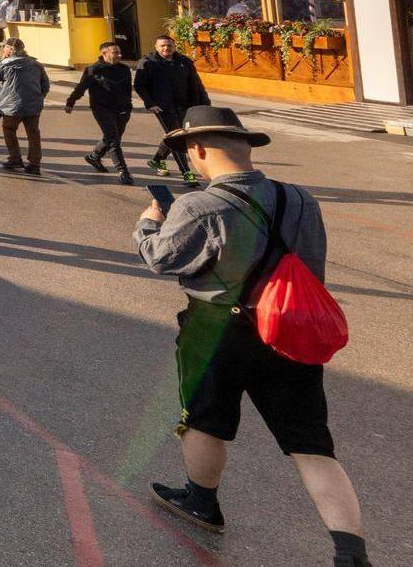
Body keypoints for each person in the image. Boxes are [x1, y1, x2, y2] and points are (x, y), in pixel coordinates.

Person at [133, 107, 370, 567]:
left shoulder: (197, 205)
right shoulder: (299, 198)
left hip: (215, 326)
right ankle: (350, 552)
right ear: (245, 147)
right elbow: (311, 263)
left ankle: (202, 501)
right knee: (310, 443)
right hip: (288, 327)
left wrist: (147, 224)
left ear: (198, 150)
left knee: (204, 420)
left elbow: (162, 259)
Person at [137, 35, 211, 186]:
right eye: (162, 46)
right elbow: (139, 85)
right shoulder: (148, 63)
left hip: (186, 106)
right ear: (156, 47)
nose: (166, 48)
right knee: (178, 136)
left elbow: (197, 84)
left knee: (176, 134)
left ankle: (157, 159)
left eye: (169, 45)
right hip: (163, 107)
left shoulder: (184, 62)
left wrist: (205, 103)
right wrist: (150, 103)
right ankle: (186, 173)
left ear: (174, 46)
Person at [65, 41, 136, 184]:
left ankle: (93, 157)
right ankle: (123, 171)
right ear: (104, 54)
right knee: (113, 138)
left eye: (119, 52)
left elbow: (128, 89)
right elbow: (81, 87)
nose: (119, 55)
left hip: (122, 109)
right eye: (115, 52)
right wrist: (70, 102)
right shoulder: (93, 69)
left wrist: (128, 106)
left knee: (112, 138)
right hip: (102, 108)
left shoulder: (124, 69)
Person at [0, 37, 50, 175]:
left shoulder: (5, 64)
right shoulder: (36, 64)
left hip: (11, 106)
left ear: (10, 50)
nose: (3, 49)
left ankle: (15, 158)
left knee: (9, 130)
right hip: (33, 105)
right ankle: (35, 164)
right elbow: (45, 85)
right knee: (33, 134)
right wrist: (39, 97)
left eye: (5, 47)